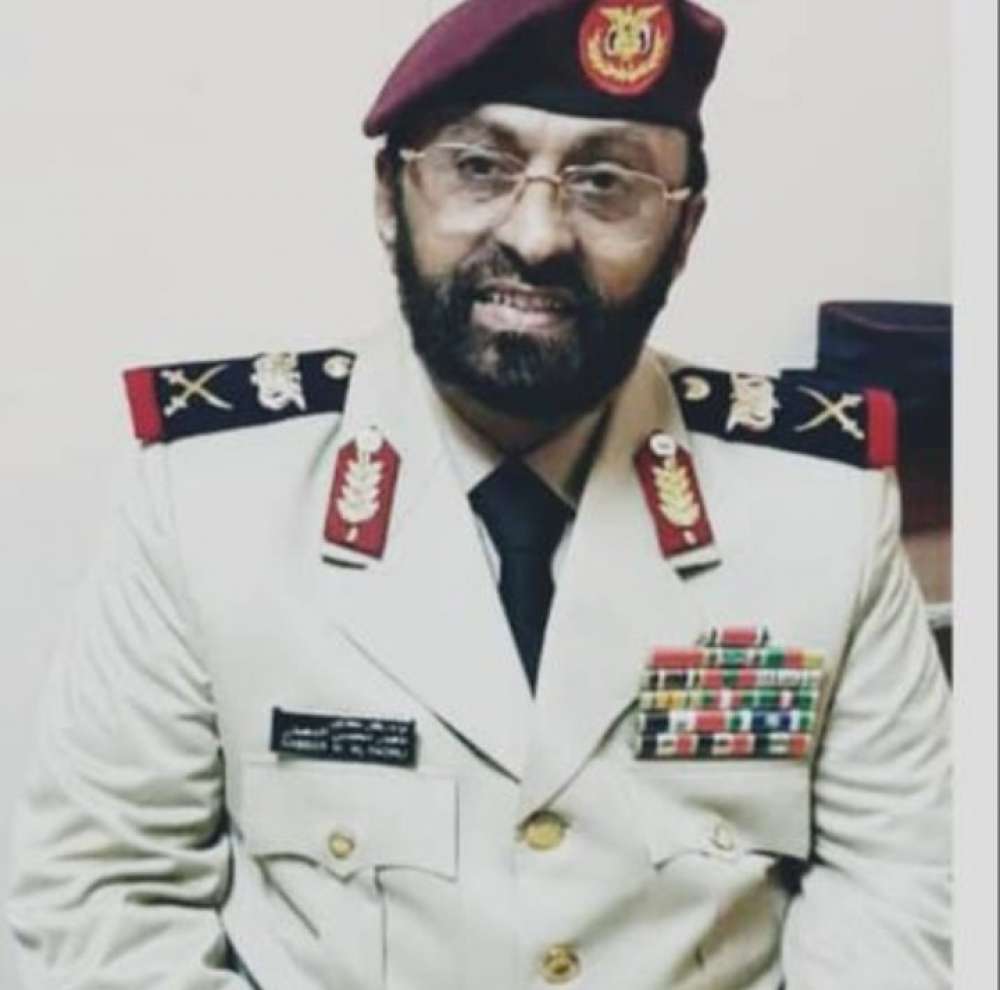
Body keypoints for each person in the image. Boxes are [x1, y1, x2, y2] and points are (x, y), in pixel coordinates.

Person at [7, 0, 951, 987]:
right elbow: (104, 900)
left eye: (606, 181)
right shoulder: (211, 500)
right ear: (390, 196)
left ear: (684, 232)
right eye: (480, 166)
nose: (536, 237)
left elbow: (911, 885)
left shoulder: (819, 510)